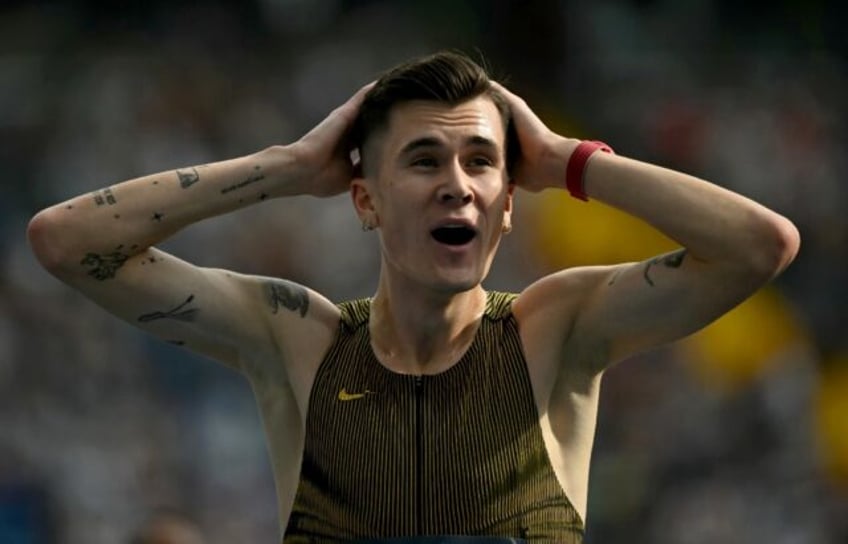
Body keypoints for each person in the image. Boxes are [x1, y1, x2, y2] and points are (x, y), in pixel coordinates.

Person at [27, 51, 800, 543]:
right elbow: (67, 242)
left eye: (481, 163)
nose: (456, 185)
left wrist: (567, 160)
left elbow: (759, 246)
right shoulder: (298, 340)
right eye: (424, 160)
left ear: (506, 205)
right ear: (364, 200)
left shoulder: (552, 330)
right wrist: (293, 165)